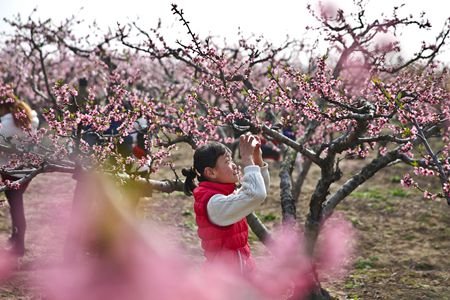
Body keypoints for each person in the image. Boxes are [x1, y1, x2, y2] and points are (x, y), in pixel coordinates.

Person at [183, 133, 270, 274]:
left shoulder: (225, 196)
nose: (235, 166)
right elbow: (256, 194)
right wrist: (247, 159)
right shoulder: (214, 204)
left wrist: (256, 160)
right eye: (228, 161)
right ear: (210, 172)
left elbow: (259, 192)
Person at [0, 93, 39, 256]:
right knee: (17, 203)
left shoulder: (4, 124)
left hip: (10, 170)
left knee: (16, 206)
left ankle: (19, 245)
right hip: (27, 170)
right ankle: (16, 238)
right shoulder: (30, 119)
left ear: (4, 107)